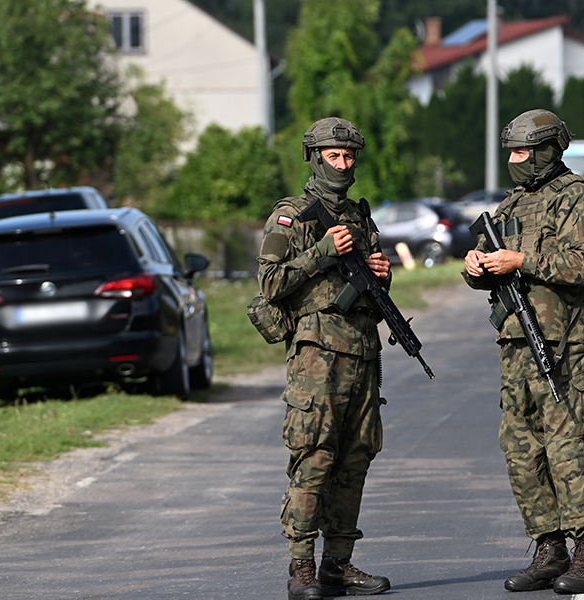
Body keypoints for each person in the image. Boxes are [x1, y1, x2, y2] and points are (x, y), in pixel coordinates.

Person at [463, 109, 584, 595]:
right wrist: (477, 267)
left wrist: (522, 260)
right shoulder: (510, 206)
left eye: (523, 151)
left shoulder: (577, 198)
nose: (514, 160)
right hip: (515, 346)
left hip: (562, 345)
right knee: (521, 449)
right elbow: (489, 270)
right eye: (511, 151)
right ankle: (549, 548)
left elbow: (582, 266)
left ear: (548, 150)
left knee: (567, 448)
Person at [257, 117, 392, 600]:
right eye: (334, 156)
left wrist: (381, 272)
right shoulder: (291, 215)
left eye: (349, 156)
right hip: (316, 356)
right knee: (313, 457)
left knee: (356, 458)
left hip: (362, 353)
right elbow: (270, 285)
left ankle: (338, 563)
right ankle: (301, 568)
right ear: (314, 157)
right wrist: (319, 251)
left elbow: (373, 294)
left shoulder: (360, 216)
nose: (343, 164)